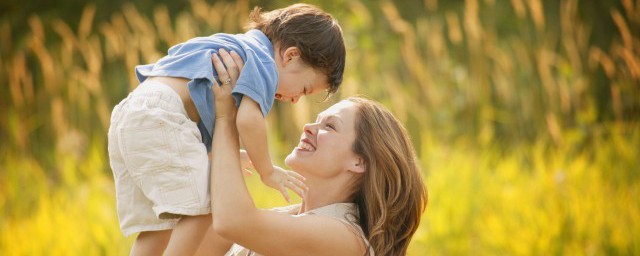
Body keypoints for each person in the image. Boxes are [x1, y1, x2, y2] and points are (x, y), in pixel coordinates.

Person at [107, 3, 345, 255]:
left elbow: (195, 97)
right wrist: (267, 171)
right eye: (305, 89)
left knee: (158, 226)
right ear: (290, 56)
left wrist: (224, 154)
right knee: (208, 204)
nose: (296, 99)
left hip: (132, 112)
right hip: (162, 115)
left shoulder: (235, 44)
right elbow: (248, 121)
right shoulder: (263, 64)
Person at [204, 51, 427, 255]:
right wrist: (214, 160)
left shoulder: (347, 238)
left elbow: (231, 222)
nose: (308, 127)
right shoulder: (288, 216)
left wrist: (226, 117)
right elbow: (205, 241)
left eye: (330, 126)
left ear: (359, 161)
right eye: (317, 120)